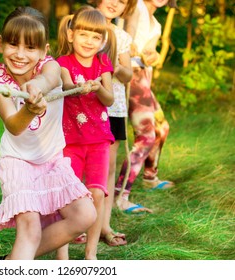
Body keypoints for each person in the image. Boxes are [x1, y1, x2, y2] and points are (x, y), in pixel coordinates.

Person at [0, 6, 96, 260]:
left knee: (85, 216)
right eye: (13, 44)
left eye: (31, 48)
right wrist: (30, 108)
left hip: (51, 161)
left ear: (44, 50)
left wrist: (35, 86)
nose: (20, 55)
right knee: (30, 229)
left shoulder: (51, 68)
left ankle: (11, 263)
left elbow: (48, 79)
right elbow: (14, 125)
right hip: (18, 162)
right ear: (0, 44)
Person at [55, 5, 116, 260]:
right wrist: (79, 87)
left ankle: (91, 252)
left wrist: (97, 87)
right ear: (71, 35)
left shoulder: (103, 63)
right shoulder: (63, 63)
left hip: (99, 140)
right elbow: (67, 85)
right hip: (70, 141)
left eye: (95, 37)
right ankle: (62, 252)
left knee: (97, 193)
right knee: (68, 196)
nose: (89, 41)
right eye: (83, 34)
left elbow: (110, 98)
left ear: (102, 41)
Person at [114, 0, 177, 214]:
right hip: (130, 76)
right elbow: (128, 36)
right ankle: (120, 195)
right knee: (146, 136)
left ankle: (150, 177)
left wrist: (155, 56)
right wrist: (132, 46)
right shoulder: (136, 6)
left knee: (162, 128)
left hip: (144, 77)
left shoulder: (157, 24)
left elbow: (150, 53)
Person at [94, 0, 137, 246]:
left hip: (113, 107)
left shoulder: (121, 36)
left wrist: (117, 65)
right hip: (83, 106)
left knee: (107, 168)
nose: (114, 2)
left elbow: (128, 73)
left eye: (122, 1)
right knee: (79, 165)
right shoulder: (81, 26)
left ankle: (103, 225)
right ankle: (77, 222)